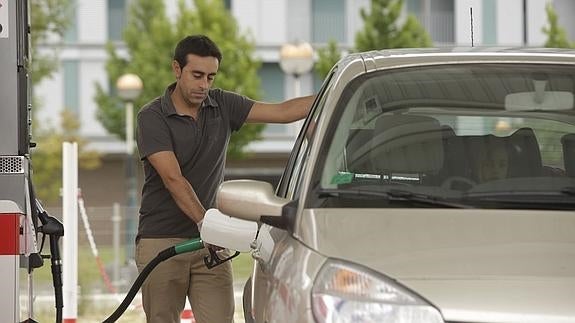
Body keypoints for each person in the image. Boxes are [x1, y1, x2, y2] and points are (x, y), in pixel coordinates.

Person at [135, 34, 315, 323]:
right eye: (197, 75)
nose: (204, 85)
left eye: (210, 77)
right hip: (162, 239)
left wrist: (338, 91)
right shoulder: (152, 116)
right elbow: (173, 179)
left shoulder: (222, 105)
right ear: (176, 69)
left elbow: (282, 112)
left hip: (211, 243)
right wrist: (208, 223)